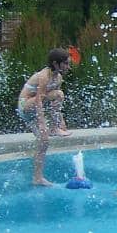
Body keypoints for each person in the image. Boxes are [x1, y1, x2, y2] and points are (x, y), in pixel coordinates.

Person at [17, 47, 72, 187]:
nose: (68, 66)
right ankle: (53, 128)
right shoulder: (44, 76)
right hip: (26, 106)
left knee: (44, 141)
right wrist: (42, 123)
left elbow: (54, 104)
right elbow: (38, 100)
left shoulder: (58, 77)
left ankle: (37, 178)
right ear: (55, 63)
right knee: (59, 94)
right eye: (65, 63)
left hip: (35, 110)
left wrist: (61, 122)